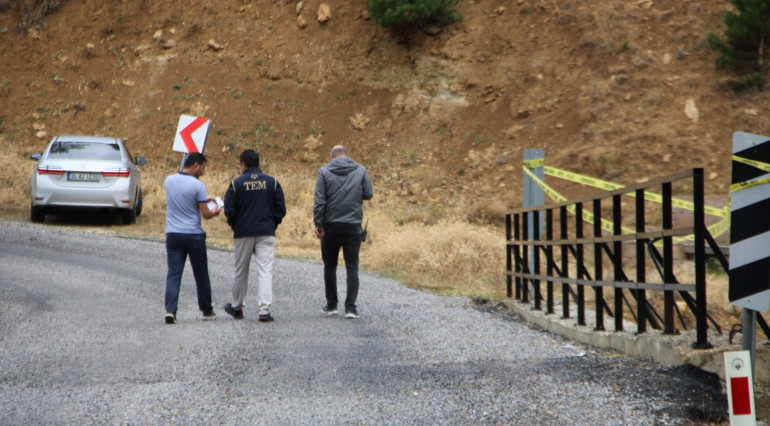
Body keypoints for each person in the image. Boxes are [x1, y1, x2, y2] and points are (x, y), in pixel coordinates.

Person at [223, 149, 286, 322]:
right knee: (265, 271)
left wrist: (236, 226)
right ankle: (264, 311)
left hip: (243, 233)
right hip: (266, 232)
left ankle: (237, 307)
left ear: (243, 165)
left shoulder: (236, 184)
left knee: (241, 271)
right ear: (258, 164)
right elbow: (281, 209)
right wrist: (272, 224)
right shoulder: (272, 182)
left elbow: (229, 210)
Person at [314, 145, 373, 319]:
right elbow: (368, 194)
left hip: (330, 225)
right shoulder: (360, 170)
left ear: (332, 156)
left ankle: (332, 305)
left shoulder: (324, 171)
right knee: (352, 267)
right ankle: (351, 308)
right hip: (353, 225)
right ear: (347, 155)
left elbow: (319, 200)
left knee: (330, 266)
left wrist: (318, 223)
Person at [163, 152, 221, 324]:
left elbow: (181, 199)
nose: (203, 172)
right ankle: (207, 310)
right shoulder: (197, 185)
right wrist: (215, 212)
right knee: (201, 273)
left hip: (173, 234)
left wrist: (203, 199)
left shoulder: (169, 180)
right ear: (196, 165)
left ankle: (170, 310)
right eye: (202, 168)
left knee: (174, 273)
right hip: (193, 235)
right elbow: (205, 214)